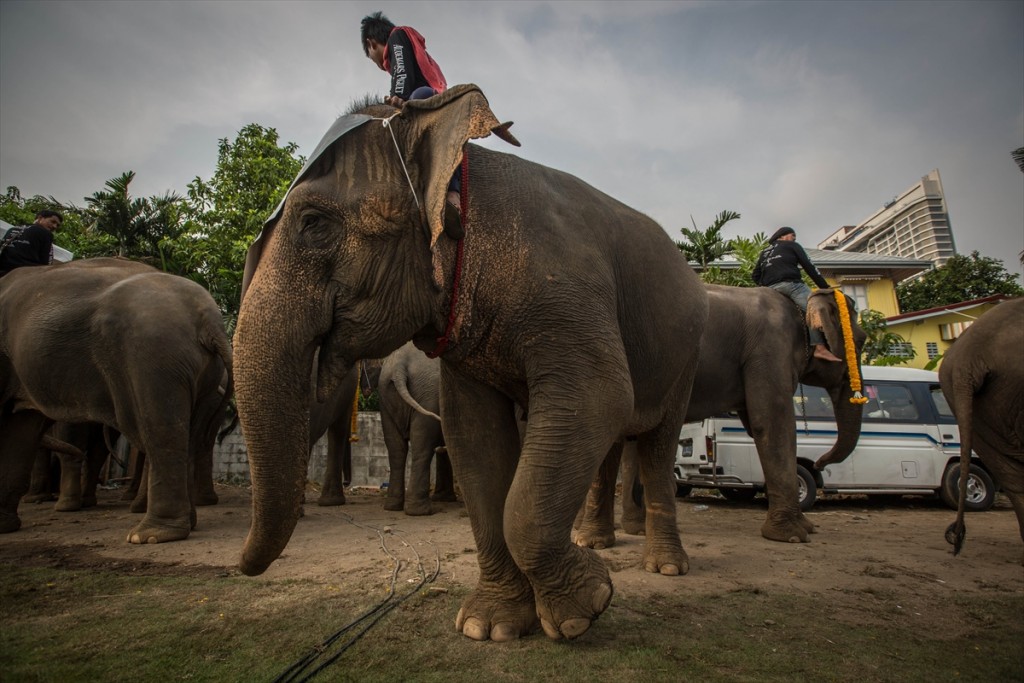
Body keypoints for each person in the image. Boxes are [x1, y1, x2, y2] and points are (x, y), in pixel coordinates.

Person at [360, 11, 463, 235]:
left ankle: (452, 195)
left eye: (371, 55)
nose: (376, 63)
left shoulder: (397, 38)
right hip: (425, 99)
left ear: (371, 43)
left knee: (415, 101)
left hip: (426, 97)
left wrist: (398, 96)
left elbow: (402, 73)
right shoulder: (404, 48)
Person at [752, 226, 842, 362]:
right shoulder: (792, 246)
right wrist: (825, 287)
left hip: (769, 290)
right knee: (814, 310)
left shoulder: (764, 252)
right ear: (782, 236)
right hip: (792, 286)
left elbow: (755, 275)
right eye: (792, 235)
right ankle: (820, 348)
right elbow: (809, 267)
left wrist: (765, 286)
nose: (794, 238)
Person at [0, 209, 62, 277]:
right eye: (53, 222)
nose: (54, 226)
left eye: (57, 225)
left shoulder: (13, 229)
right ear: (40, 218)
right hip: (25, 274)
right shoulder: (45, 233)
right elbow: (46, 263)